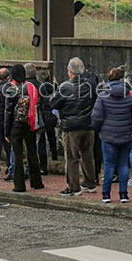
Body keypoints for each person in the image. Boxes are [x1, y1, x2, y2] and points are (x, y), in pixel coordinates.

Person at [50, 57, 97, 197]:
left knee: (72, 157)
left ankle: (73, 187)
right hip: (88, 124)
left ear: (69, 71)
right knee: (88, 155)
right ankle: (90, 182)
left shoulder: (65, 86)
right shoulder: (90, 85)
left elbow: (53, 103)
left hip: (71, 126)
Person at [91, 67, 132, 204]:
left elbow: (96, 117)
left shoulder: (103, 95)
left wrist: (98, 130)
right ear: (122, 78)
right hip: (126, 134)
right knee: (123, 165)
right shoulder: (130, 94)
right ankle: (123, 194)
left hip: (108, 135)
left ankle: (106, 194)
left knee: (109, 165)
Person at [4, 63, 44, 193]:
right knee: (32, 151)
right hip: (30, 123)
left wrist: (6, 131)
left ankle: (19, 185)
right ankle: (37, 182)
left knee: (18, 155)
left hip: (16, 125)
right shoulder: (31, 87)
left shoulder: (11, 89)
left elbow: (8, 112)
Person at [35, 67, 59, 175]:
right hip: (51, 114)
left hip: (43, 114)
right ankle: (54, 154)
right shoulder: (53, 86)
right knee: (51, 135)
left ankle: (43, 166)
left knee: (41, 142)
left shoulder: (40, 87)